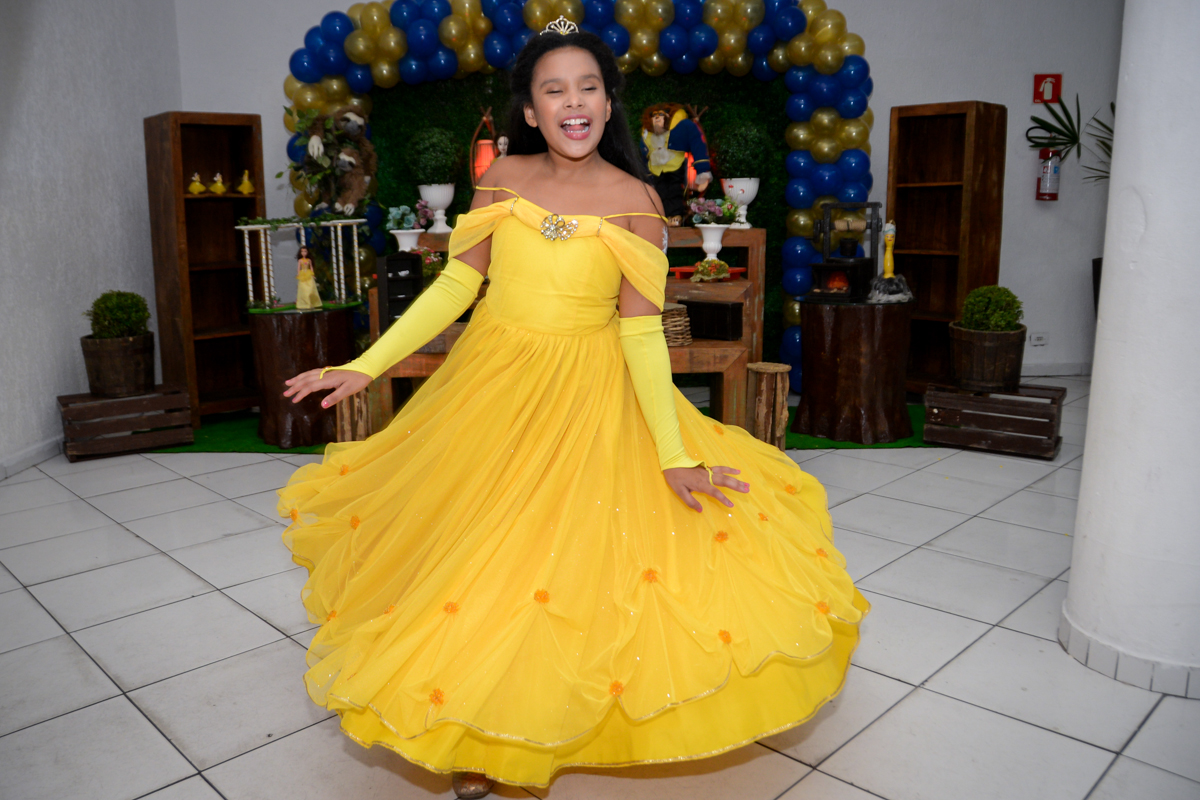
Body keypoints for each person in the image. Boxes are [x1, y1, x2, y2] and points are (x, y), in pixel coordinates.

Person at [279, 18, 867, 799]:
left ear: (609, 101)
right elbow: (456, 287)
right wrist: (365, 363)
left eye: (588, 86)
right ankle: (481, 732)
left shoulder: (638, 201)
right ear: (529, 109)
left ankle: (531, 730)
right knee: (480, 555)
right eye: (554, 89)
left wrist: (672, 453)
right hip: (490, 387)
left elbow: (643, 335)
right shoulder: (502, 180)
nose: (573, 102)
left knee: (559, 567)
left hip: (591, 398)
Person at [639, 102, 712, 226]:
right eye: (654, 115)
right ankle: (662, 217)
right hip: (656, 170)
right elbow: (643, 155)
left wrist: (703, 170)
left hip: (674, 167)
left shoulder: (680, 128)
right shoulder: (647, 135)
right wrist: (643, 175)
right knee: (658, 193)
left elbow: (697, 144)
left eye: (661, 115)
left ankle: (676, 215)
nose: (657, 118)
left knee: (674, 191)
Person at [294, 246, 322, 310]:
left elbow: (311, 267)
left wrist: (313, 274)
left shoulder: (309, 260)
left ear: (307, 252)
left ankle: (313, 303)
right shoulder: (300, 260)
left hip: (309, 274)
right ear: (300, 253)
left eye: (305, 251)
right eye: (302, 251)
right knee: (304, 289)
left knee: (311, 288)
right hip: (302, 274)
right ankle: (304, 304)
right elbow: (298, 268)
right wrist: (298, 274)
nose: (303, 253)